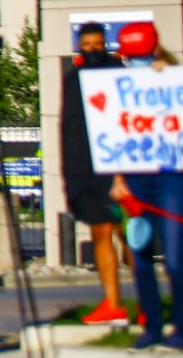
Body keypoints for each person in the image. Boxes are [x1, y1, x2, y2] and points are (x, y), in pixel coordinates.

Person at [106, 21, 183, 352]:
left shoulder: (174, 82)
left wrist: (168, 78)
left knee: (174, 259)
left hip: (171, 177)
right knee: (140, 256)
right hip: (135, 179)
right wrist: (118, 181)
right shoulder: (120, 87)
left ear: (154, 52)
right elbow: (113, 134)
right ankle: (152, 327)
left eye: (138, 55)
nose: (132, 62)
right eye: (129, 56)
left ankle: (181, 329)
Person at [60, 22, 128, 327]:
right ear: (79, 46)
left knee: (128, 236)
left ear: (105, 44)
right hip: (83, 168)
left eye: (97, 44)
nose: (92, 50)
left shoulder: (119, 73)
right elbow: (70, 127)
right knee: (100, 231)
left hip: (115, 167)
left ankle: (147, 301)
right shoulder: (72, 79)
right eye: (86, 45)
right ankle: (112, 302)